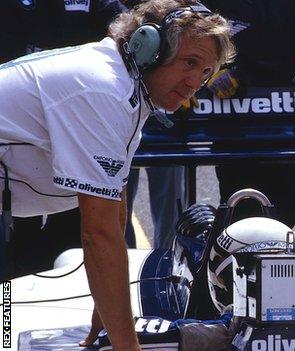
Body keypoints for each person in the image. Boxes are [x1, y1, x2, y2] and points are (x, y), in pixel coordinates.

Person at [0, 0, 235, 348]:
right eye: (190, 62)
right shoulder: (103, 88)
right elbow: (99, 233)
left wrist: (107, 307)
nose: (195, 82)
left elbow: (116, 199)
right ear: (149, 47)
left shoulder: (124, 83)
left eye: (206, 72)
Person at [0, 0, 128, 278]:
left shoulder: (99, 6)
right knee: (13, 252)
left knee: (90, 237)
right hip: (18, 140)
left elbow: (126, 39)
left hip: (83, 135)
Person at [200, 0, 295, 229]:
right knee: (238, 205)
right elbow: (194, 25)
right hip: (232, 104)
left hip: (285, 104)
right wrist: (210, 71)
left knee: (289, 205)